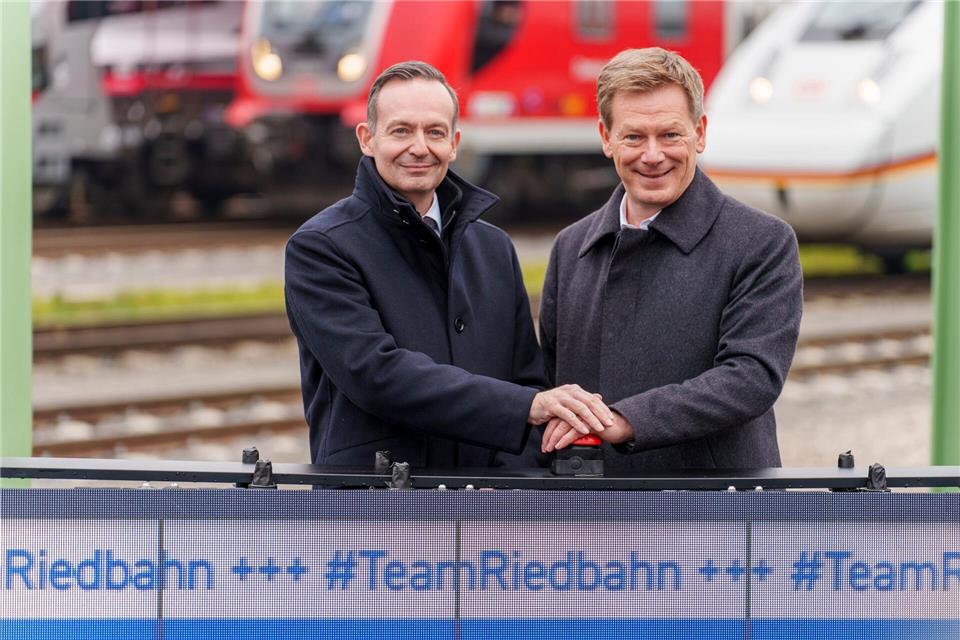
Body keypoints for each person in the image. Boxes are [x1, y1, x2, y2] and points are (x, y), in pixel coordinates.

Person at [285, 61, 612, 468]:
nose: (420, 147)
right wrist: (526, 406)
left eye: (434, 132)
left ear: (454, 143)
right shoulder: (320, 247)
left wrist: (513, 480)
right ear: (367, 139)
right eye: (401, 130)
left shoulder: (494, 248)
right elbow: (375, 375)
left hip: (488, 511)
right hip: (375, 509)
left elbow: (526, 377)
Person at [539, 48, 803, 470]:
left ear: (700, 132)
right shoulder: (571, 247)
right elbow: (550, 380)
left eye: (670, 135)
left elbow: (751, 378)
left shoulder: (763, 242)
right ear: (606, 138)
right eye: (633, 137)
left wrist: (628, 420)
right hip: (591, 508)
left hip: (715, 512)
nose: (652, 155)